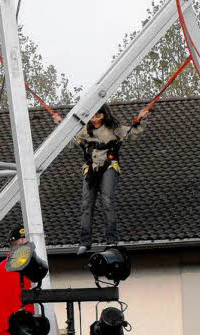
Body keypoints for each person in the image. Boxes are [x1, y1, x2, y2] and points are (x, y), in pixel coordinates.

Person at [54, 104, 148, 256]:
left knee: (107, 201)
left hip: (109, 166)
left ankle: (111, 239)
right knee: (86, 204)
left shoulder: (114, 128)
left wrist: (141, 117)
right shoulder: (85, 130)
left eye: (98, 116)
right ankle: (85, 241)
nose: (95, 119)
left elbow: (133, 132)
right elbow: (71, 143)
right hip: (91, 169)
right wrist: (60, 124)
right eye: (92, 116)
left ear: (104, 115)